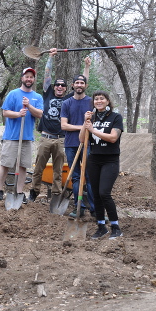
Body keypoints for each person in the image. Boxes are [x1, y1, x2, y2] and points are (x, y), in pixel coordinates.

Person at [28, 49, 73, 202]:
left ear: (66, 88)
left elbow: (82, 84)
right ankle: (33, 191)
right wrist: (50, 57)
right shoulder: (47, 94)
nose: (59, 87)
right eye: (57, 85)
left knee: (58, 170)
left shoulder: (68, 99)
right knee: (38, 167)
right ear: (54, 87)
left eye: (62, 85)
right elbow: (47, 75)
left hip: (61, 139)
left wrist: (87, 67)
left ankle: (55, 195)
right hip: (46, 137)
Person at [0, 67, 44, 201]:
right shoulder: (13, 94)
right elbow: (5, 112)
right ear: (22, 78)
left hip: (27, 137)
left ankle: (19, 192)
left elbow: (39, 114)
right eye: (26, 76)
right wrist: (18, 114)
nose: (29, 79)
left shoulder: (37, 97)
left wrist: (29, 106)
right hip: (11, 136)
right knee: (5, 164)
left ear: (34, 79)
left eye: (31, 77)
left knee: (23, 166)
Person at [80, 91, 124, 239]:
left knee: (104, 193)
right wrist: (85, 123)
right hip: (94, 159)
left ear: (107, 101)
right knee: (96, 194)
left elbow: (113, 137)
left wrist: (93, 130)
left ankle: (116, 227)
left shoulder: (115, 117)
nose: (98, 101)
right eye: (96, 99)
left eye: (101, 99)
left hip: (110, 160)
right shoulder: (91, 117)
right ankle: (101, 226)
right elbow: (81, 139)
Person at [60, 59, 94, 217]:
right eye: (77, 83)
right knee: (75, 177)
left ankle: (94, 209)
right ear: (72, 86)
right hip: (71, 144)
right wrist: (82, 127)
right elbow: (64, 126)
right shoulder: (67, 103)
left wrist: (87, 67)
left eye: (82, 83)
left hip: (88, 145)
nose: (79, 85)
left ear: (86, 86)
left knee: (89, 176)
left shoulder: (92, 102)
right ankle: (77, 207)